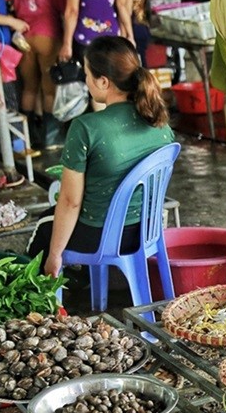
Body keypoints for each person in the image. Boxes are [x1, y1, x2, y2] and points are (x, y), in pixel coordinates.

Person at [28, 36, 176, 279]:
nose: (86, 81)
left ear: (104, 81)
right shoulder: (160, 122)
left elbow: (70, 201)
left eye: (87, 74)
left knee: (44, 226)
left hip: (101, 237)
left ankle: (43, 298)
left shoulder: (86, 127)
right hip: (147, 231)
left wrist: (55, 256)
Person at [6, 0, 66, 147]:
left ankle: (26, 137)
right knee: (49, 91)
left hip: (23, 36)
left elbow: (13, 1)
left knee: (29, 89)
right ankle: (51, 138)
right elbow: (62, 5)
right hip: (47, 34)